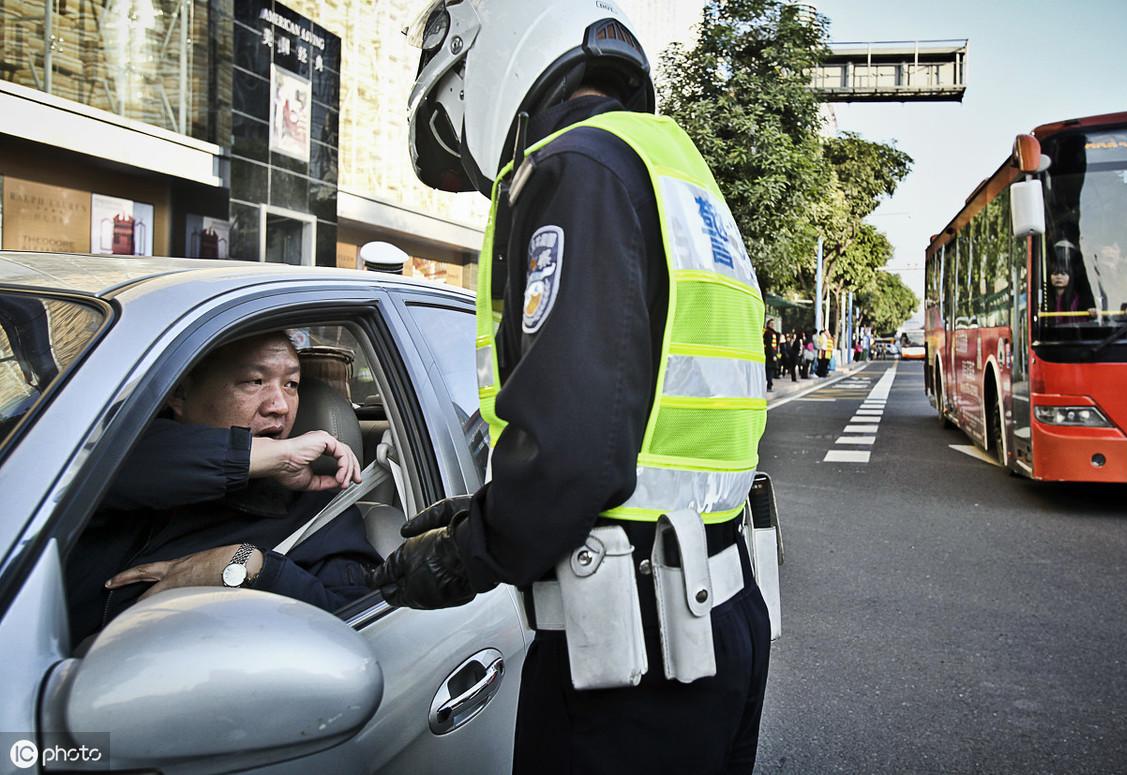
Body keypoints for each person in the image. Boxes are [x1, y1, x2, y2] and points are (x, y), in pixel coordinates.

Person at [367, 2, 772, 772]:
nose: (477, 161)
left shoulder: (573, 167)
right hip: (713, 626)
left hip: (630, 668)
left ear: (480, 64)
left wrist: (467, 551)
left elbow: (575, 454)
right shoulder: (673, 172)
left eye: (454, 120)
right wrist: (491, 505)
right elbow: (641, 411)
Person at [66, 332, 379, 647]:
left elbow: (359, 627)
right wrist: (279, 456)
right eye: (254, 381)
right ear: (180, 395)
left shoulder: (317, 513)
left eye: (291, 384)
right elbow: (105, 460)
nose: (280, 406)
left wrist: (247, 563)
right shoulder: (107, 460)